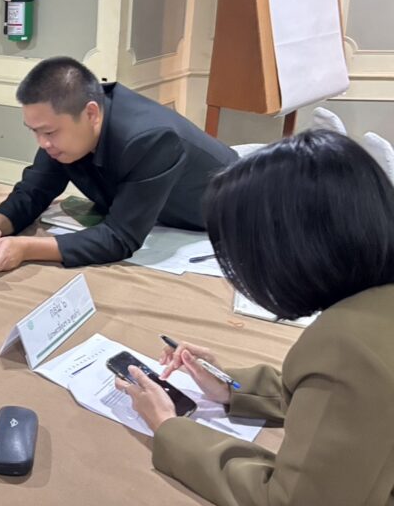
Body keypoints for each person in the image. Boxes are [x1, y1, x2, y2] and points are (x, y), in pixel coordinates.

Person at [116, 129, 394, 506]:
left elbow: (292, 501)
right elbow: (349, 402)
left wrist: (169, 428)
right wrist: (232, 387)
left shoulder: (349, 346)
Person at [0, 56, 236, 271]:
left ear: (91, 113)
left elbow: (120, 237)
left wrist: (26, 248)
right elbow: (34, 191)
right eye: (34, 131)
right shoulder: (66, 132)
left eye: (49, 132)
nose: (42, 143)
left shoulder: (150, 139)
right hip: (160, 212)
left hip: (228, 212)